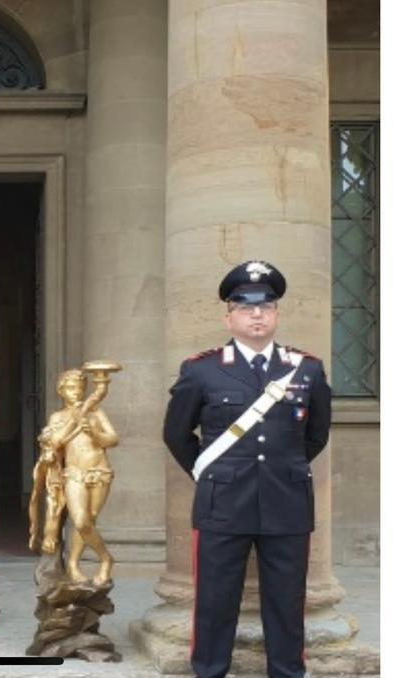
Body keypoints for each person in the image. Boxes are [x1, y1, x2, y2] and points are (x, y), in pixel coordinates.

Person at [163, 260, 332, 678]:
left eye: (266, 306)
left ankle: (287, 672)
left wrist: (282, 469)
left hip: (287, 502)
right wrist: (215, 473)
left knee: (287, 601)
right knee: (215, 601)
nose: (257, 314)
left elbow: (316, 435)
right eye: (245, 306)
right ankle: (209, 671)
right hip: (223, 502)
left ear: (276, 313)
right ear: (229, 315)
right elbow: (177, 435)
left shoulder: (306, 369)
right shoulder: (201, 370)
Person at [29, 368, 119, 585]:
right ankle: (106, 559)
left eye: (79, 388)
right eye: (70, 388)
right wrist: (76, 419)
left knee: (90, 518)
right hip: (73, 473)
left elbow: (113, 439)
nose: (76, 392)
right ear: (61, 391)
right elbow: (56, 442)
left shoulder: (96, 412)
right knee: (80, 519)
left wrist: (95, 433)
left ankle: (73, 564)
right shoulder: (58, 417)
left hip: (99, 471)